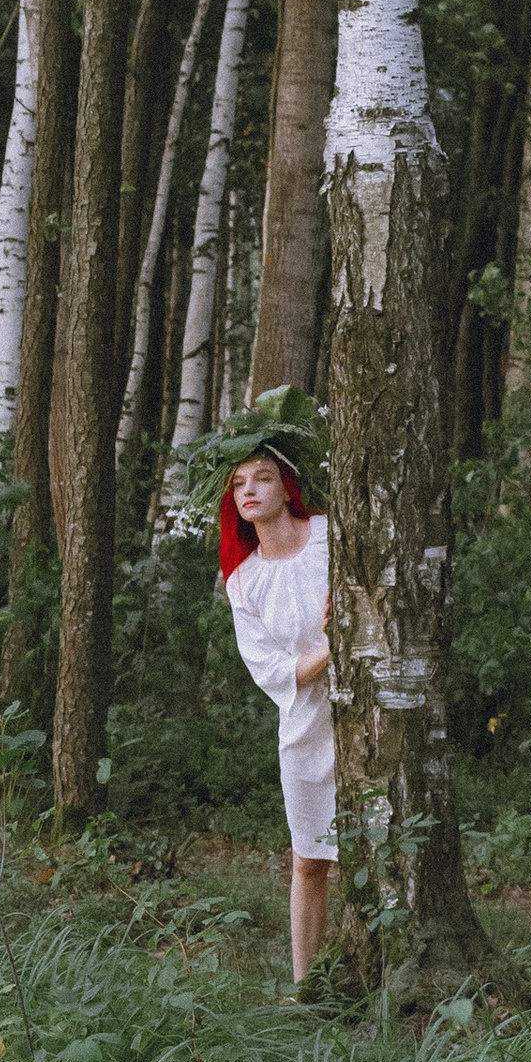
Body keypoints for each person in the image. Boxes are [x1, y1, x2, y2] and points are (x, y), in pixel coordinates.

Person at [210, 395, 334, 987]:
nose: (250, 491)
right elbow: (271, 669)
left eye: (263, 477)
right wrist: (333, 648)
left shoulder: (331, 538)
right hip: (306, 724)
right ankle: (307, 986)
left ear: (288, 487)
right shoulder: (246, 579)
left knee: (381, 852)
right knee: (310, 857)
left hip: (370, 711)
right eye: (238, 484)